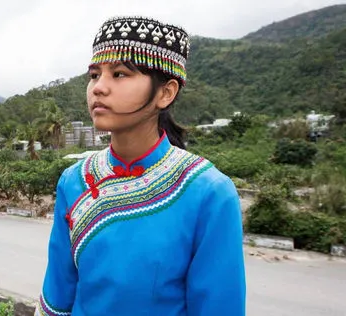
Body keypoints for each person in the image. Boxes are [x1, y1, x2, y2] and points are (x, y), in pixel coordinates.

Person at [35, 16, 246, 315]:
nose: (98, 88)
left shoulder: (209, 193)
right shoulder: (73, 181)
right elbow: (57, 294)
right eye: (94, 75)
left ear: (165, 92)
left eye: (119, 74)